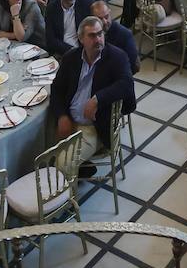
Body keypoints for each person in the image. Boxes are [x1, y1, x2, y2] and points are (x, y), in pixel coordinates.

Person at [48, 16, 135, 174]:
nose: (98, 39)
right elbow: (56, 89)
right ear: (81, 39)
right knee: (40, 151)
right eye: (92, 36)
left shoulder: (116, 57)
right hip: (69, 119)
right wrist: (62, 116)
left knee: (63, 165)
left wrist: (97, 99)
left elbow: (127, 84)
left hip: (94, 127)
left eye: (100, 34)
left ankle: (68, 195)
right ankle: (79, 170)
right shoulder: (71, 58)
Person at [90, 0, 140, 75]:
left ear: (110, 13)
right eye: (100, 18)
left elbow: (132, 66)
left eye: (106, 17)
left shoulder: (124, 34)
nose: (105, 22)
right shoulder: (89, 32)